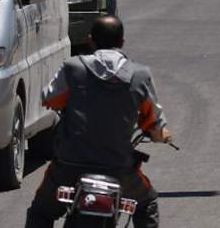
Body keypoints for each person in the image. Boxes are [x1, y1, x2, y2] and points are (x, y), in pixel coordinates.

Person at [25, 16, 170, 228]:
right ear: (122, 42)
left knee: (41, 212)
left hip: (69, 167)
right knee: (147, 203)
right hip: (118, 169)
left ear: (91, 41)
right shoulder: (140, 75)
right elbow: (155, 125)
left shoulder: (73, 68)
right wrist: (162, 135)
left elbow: (50, 98)